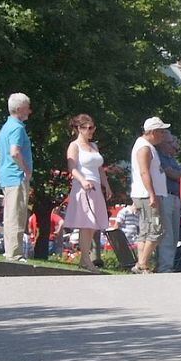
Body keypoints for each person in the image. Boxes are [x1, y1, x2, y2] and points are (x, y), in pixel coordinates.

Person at [61, 114, 112, 272]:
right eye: (87, 128)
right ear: (79, 129)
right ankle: (85, 259)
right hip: (83, 186)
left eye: (92, 128)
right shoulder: (74, 146)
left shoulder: (94, 146)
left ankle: (85, 258)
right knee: (86, 223)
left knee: (93, 225)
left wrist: (107, 186)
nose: (91, 131)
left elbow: (99, 169)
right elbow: (72, 167)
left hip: (96, 186)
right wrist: (83, 181)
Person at [129, 116, 170, 273]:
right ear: (152, 132)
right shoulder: (144, 148)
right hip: (148, 196)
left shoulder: (146, 146)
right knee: (156, 229)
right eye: (160, 132)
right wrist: (152, 194)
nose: (163, 135)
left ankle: (142, 264)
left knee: (146, 230)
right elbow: (144, 172)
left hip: (146, 195)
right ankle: (141, 264)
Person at [0, 93, 34, 261]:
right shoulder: (17, 127)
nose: (30, 111)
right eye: (27, 107)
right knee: (16, 216)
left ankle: (9, 250)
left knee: (10, 215)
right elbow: (14, 152)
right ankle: (15, 254)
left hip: (6, 175)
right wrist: (26, 170)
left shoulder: (6, 126)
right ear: (19, 109)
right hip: (16, 176)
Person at [156, 130, 181, 273]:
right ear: (163, 143)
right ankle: (164, 266)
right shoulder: (159, 157)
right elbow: (173, 174)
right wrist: (177, 175)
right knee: (167, 233)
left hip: (175, 196)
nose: (175, 146)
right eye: (171, 142)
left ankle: (169, 265)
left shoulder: (172, 159)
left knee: (175, 234)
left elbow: (178, 174)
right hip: (165, 196)